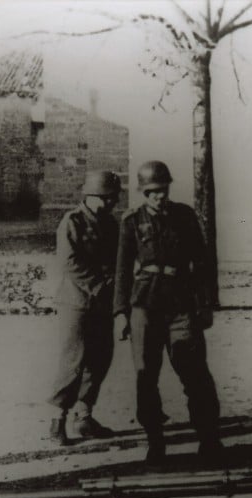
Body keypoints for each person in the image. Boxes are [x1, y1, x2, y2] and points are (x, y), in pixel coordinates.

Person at [113, 160, 223, 464]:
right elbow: (122, 270)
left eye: (162, 190)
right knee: (145, 376)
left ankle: (210, 439)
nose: (158, 196)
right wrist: (121, 312)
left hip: (180, 304)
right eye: (151, 192)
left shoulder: (184, 216)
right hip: (145, 305)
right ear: (142, 193)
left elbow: (202, 263)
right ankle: (155, 443)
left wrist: (205, 305)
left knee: (195, 372)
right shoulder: (131, 221)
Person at [47, 170, 122, 445]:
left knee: (100, 359)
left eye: (112, 198)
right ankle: (57, 420)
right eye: (104, 198)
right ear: (89, 196)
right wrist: (100, 285)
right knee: (74, 361)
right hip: (76, 302)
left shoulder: (110, 224)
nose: (109, 203)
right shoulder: (72, 222)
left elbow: (117, 258)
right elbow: (70, 263)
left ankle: (84, 416)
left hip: (102, 302)